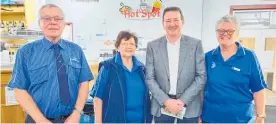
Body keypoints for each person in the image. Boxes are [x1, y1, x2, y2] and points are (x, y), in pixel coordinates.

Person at [7, 4, 94, 123]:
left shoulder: (76, 50)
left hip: (71, 119)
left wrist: (77, 113)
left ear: (63, 24)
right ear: (39, 23)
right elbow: (19, 91)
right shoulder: (26, 52)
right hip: (37, 120)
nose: (53, 22)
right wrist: (41, 120)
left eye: (58, 18)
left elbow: (83, 83)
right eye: (47, 18)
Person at [200, 15, 267, 123]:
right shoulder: (207, 57)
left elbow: (258, 89)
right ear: (216, 33)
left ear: (237, 33)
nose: (225, 34)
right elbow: (201, 88)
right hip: (210, 119)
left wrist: (260, 116)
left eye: (230, 31)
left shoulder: (249, 56)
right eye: (221, 31)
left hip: (241, 120)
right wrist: (199, 114)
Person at [145, 6, 206, 123]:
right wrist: (166, 101)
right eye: (168, 21)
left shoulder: (195, 45)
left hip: (189, 105)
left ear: (182, 22)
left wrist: (182, 101)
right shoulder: (152, 46)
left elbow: (201, 77)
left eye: (176, 20)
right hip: (162, 105)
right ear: (163, 23)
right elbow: (149, 78)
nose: (172, 24)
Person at [90, 31, 152, 123]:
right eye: (124, 43)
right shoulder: (108, 67)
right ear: (117, 47)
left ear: (136, 47)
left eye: (132, 44)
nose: (128, 46)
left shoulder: (141, 69)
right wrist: (98, 122)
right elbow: (98, 97)